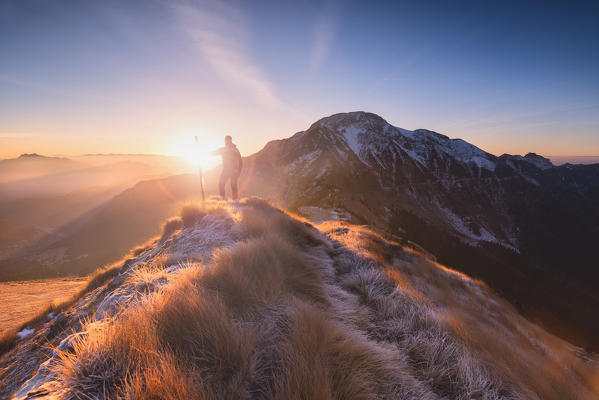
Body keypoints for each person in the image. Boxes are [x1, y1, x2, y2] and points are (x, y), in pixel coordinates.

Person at [212, 135, 242, 200]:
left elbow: (213, 153)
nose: (227, 141)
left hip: (227, 170)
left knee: (221, 184)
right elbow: (240, 162)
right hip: (234, 171)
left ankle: (223, 199)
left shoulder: (224, 149)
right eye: (227, 140)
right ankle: (235, 200)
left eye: (227, 140)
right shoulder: (236, 149)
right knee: (233, 185)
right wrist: (238, 172)